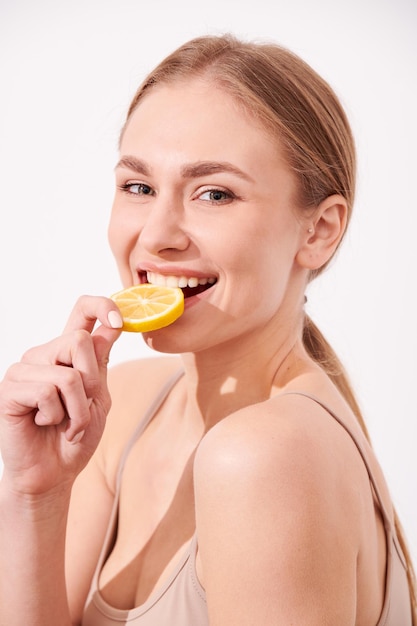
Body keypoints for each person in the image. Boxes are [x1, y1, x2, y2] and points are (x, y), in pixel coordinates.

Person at [0, 33, 415, 626]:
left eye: (214, 193)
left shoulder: (264, 458)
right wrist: (33, 494)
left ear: (319, 231)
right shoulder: (123, 411)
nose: (157, 234)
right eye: (139, 187)